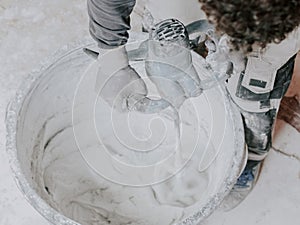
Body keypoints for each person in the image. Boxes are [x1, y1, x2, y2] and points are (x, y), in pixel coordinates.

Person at [87, 0, 300, 207]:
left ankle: (250, 156)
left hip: (276, 27)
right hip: (182, 7)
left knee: (254, 101)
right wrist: (112, 58)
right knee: (167, 47)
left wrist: (246, 41)